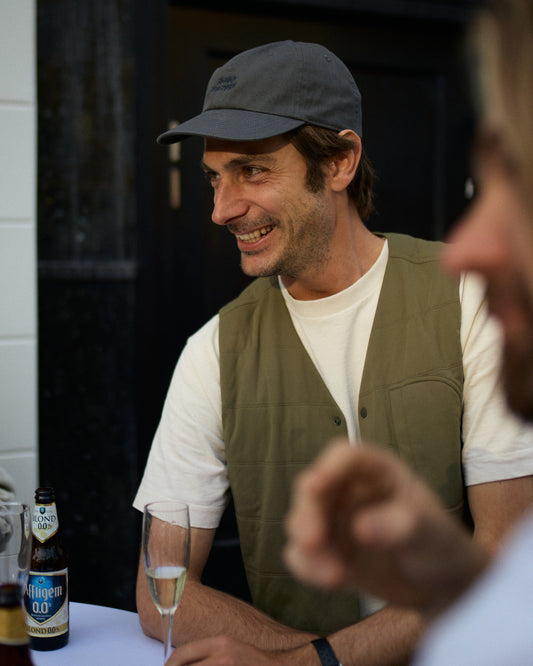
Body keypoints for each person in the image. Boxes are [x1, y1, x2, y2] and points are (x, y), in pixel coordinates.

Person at [133, 38, 533, 665]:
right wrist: (316, 658)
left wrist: (306, 664)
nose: (221, 209)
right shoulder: (212, 351)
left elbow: (507, 560)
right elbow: (162, 592)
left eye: (252, 170)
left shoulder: (470, 299)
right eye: (214, 176)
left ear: (341, 162)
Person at [284, 1, 533, 664]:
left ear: (341, 164)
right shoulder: (218, 344)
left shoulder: (457, 302)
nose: (464, 249)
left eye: (521, 181)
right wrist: (450, 572)